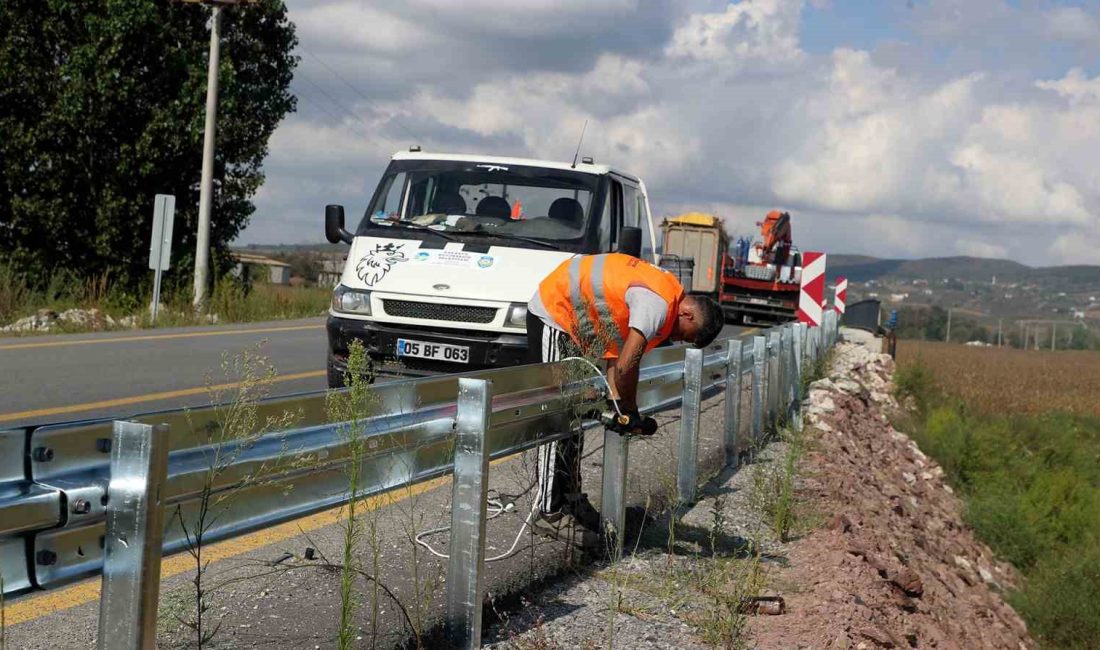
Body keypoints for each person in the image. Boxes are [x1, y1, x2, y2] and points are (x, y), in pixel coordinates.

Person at [525, 252, 725, 546]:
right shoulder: (656, 304)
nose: (679, 339)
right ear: (688, 315)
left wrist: (624, 409)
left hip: (575, 322)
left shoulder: (664, 297)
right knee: (558, 414)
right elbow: (625, 365)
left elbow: (619, 359)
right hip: (555, 313)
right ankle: (549, 512)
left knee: (574, 417)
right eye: (686, 336)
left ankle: (570, 500)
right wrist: (629, 412)